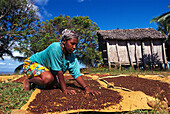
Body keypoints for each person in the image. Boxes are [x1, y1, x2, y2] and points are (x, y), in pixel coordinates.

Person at [23, 29, 100, 95]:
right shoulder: (55, 48)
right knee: (48, 79)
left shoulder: (72, 57)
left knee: (54, 85)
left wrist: (86, 88)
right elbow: (59, 72)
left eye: (76, 45)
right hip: (32, 63)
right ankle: (29, 80)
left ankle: (38, 82)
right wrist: (65, 90)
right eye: (72, 44)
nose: (74, 47)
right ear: (64, 41)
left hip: (46, 69)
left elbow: (77, 75)